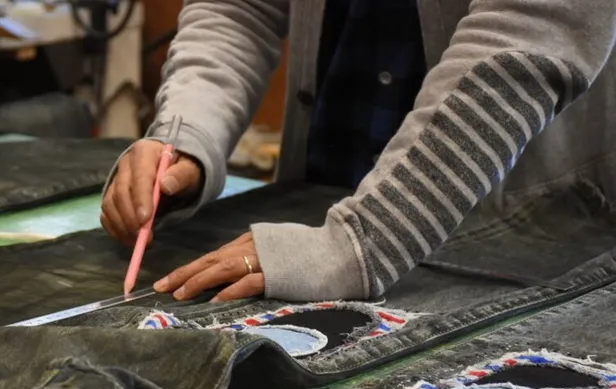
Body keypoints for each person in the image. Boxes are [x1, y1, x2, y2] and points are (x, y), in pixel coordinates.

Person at [101, 0, 616, 303]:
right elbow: (239, 8)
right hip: (316, 207)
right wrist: (187, 135)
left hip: (512, 229)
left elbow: (534, 26)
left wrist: (361, 244)